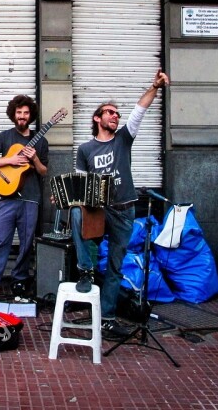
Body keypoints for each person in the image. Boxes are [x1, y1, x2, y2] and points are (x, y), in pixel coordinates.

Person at [69, 69, 169, 339]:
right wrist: (68, 197)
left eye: (116, 114)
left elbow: (140, 109)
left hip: (125, 210)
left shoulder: (123, 139)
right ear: (97, 118)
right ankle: (85, 270)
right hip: (99, 210)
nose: (115, 116)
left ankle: (108, 319)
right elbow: (80, 184)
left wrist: (155, 86)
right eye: (110, 112)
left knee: (115, 267)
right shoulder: (85, 150)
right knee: (76, 215)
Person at [0, 94, 49, 299]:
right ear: (13, 114)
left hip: (31, 198)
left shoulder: (41, 141)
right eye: (19, 112)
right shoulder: (4, 137)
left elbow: (43, 172)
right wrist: (10, 159)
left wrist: (35, 158)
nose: (22, 116)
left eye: (26, 112)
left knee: (26, 242)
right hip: (7, 198)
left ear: (31, 115)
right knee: (0, 240)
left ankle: (20, 280)